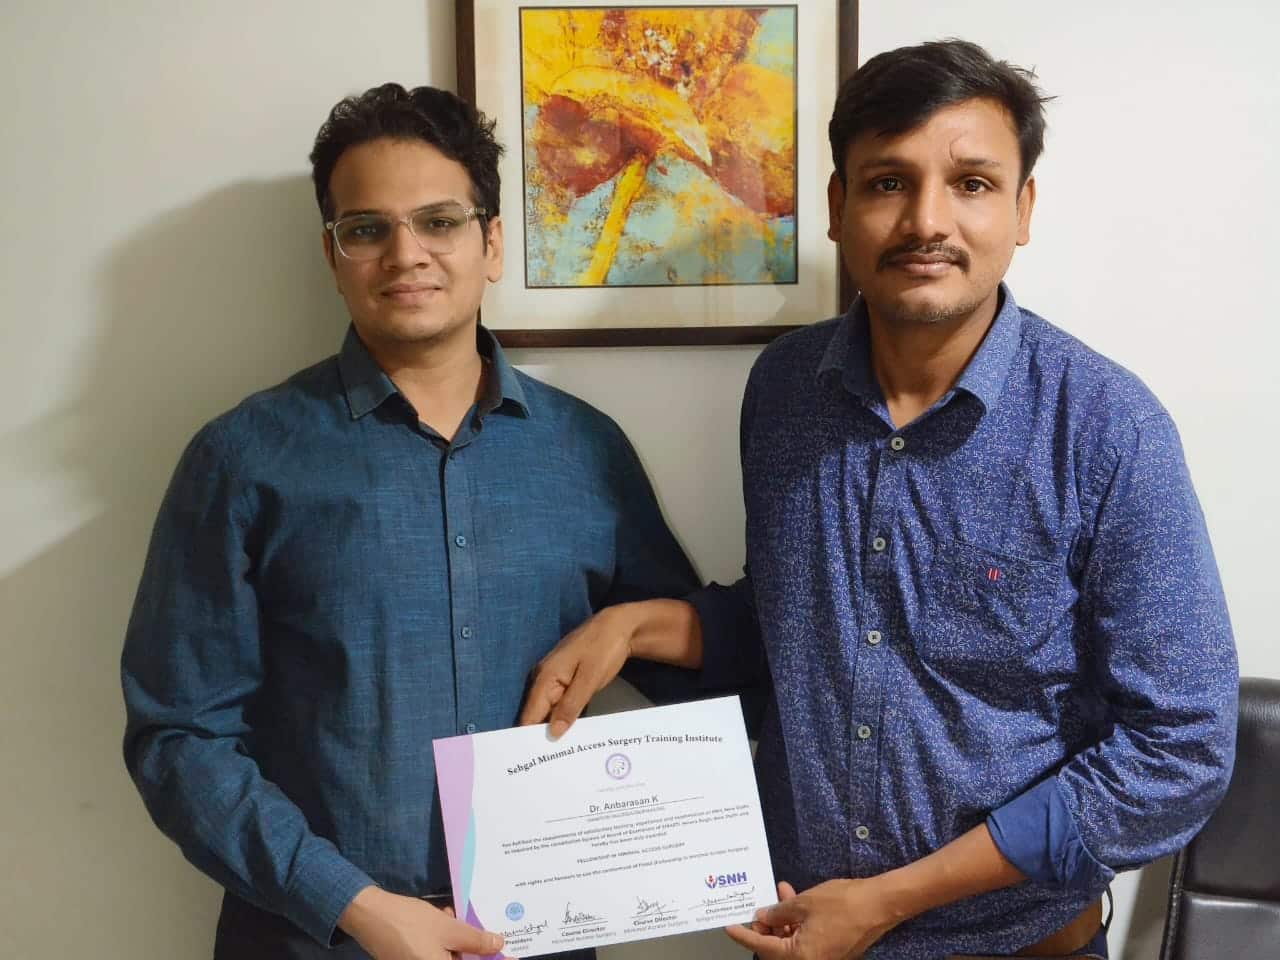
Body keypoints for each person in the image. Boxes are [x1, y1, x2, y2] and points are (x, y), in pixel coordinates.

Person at [520, 40, 1238, 959]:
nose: (926, 220)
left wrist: (888, 902)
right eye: (889, 182)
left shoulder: (1107, 428)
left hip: (1014, 947)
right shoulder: (783, 391)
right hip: (798, 932)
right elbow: (806, 626)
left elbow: (1181, 750)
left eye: (972, 184)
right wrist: (636, 625)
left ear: (1023, 209)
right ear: (836, 207)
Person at [121, 83, 698, 960]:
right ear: (332, 253)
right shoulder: (240, 459)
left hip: (536, 936)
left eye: (439, 221)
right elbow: (179, 737)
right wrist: (354, 905)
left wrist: (635, 625)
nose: (406, 255)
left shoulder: (588, 451)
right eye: (367, 229)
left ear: (491, 243)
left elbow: (695, 674)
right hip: (314, 940)